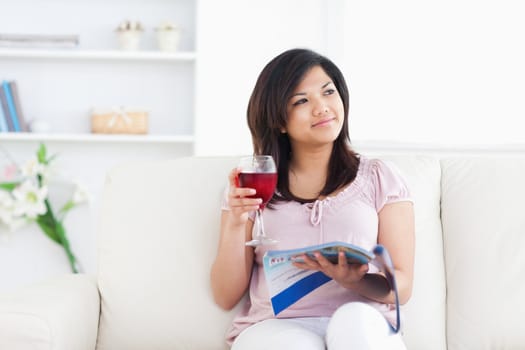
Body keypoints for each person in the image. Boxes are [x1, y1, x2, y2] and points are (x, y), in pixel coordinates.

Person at [210, 48, 415, 350]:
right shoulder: (252, 185)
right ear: (278, 120)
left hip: (361, 320)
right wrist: (235, 223)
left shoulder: (380, 177)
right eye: (301, 100)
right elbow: (225, 295)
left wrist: (355, 280)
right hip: (277, 328)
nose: (322, 108)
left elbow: (403, 286)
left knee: (354, 321)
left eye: (328, 92)